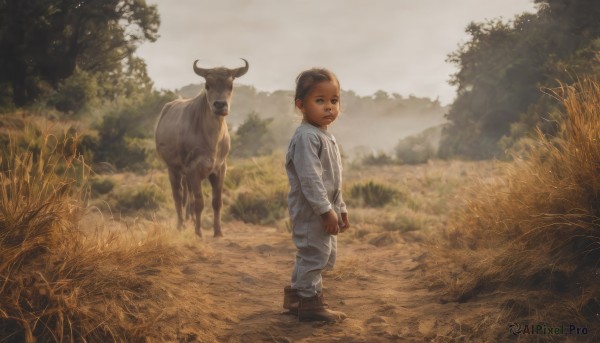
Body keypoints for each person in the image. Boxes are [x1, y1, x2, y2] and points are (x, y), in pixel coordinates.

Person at [283, 68, 350, 322]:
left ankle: (297, 298)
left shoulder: (324, 135)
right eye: (319, 101)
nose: (329, 107)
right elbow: (310, 179)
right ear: (301, 105)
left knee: (323, 254)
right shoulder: (306, 137)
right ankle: (309, 303)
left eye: (334, 101)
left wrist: (340, 206)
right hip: (312, 210)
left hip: (325, 208)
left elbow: (333, 179)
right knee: (314, 253)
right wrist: (325, 209)